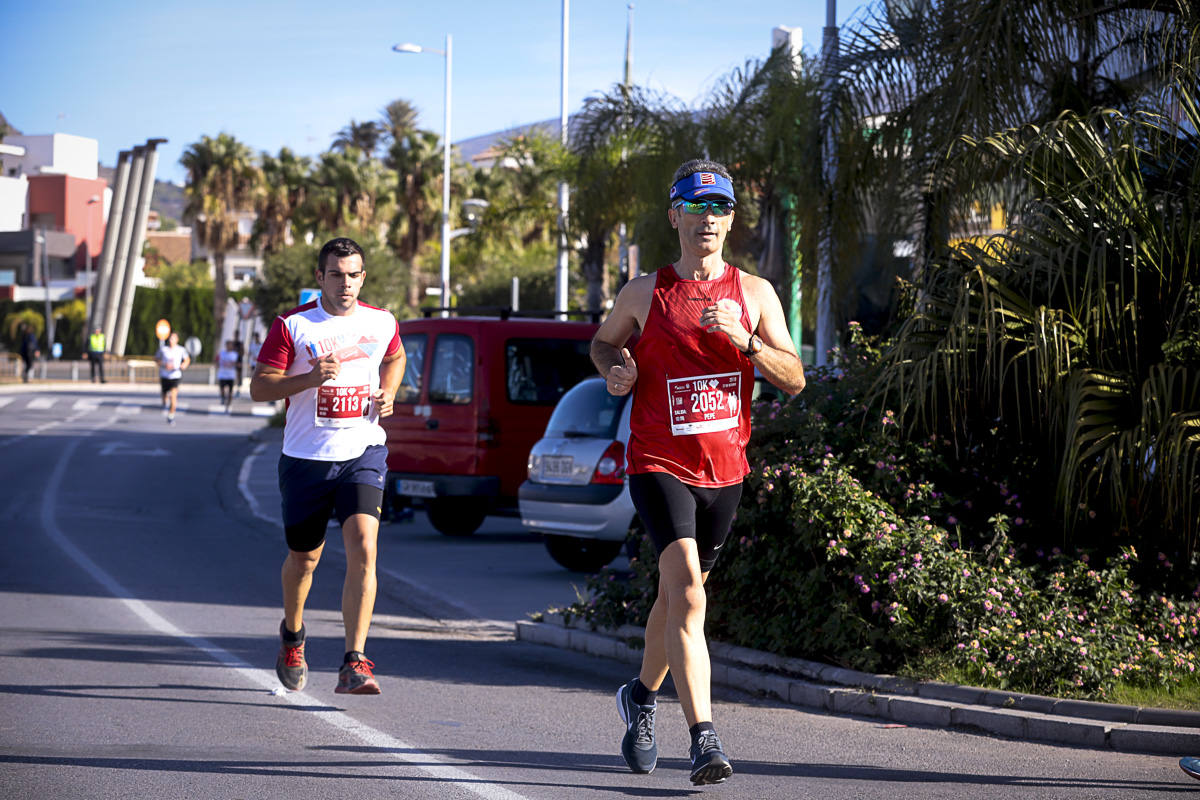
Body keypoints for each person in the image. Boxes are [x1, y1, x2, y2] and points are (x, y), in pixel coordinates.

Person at [591, 159, 806, 786]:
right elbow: (604, 343)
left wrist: (746, 341)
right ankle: (704, 738)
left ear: (731, 219)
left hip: (725, 467)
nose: (707, 219)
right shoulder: (645, 291)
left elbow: (793, 380)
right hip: (658, 459)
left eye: (718, 209)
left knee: (675, 598)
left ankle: (639, 695)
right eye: (695, 206)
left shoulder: (756, 294)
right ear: (675, 216)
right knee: (687, 591)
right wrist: (615, 371)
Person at [249, 237, 405, 695]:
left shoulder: (380, 322)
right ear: (320, 278)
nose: (346, 283)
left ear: (363, 277)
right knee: (305, 558)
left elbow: (394, 357)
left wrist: (389, 392)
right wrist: (309, 379)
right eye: (336, 274)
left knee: (364, 546)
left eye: (354, 274)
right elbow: (260, 388)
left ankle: (354, 661)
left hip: (363, 451)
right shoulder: (293, 326)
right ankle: (292, 635)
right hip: (306, 460)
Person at [155, 331, 191, 424]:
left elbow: (187, 360)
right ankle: (165, 402)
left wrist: (184, 365)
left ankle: (171, 416)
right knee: (164, 397)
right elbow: (156, 359)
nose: (171, 340)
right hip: (165, 375)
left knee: (173, 396)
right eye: (170, 338)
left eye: (173, 338)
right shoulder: (163, 349)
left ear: (177, 340)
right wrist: (164, 364)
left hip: (175, 376)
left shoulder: (181, 350)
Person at [216, 339, 239, 411]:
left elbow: (239, 364)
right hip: (222, 374)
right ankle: (223, 397)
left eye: (230, 345)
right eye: (227, 345)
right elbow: (216, 360)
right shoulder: (221, 353)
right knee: (222, 389)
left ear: (232, 346)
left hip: (231, 375)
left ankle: (228, 404)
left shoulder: (235, 355)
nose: (228, 347)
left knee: (230, 392)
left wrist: (233, 364)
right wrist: (217, 365)